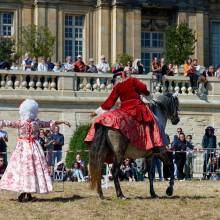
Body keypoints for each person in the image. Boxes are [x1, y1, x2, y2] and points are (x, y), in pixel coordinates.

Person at [0, 99, 70, 202]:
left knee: (22, 169)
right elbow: (50, 122)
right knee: (32, 170)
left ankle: (25, 192)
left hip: (22, 148)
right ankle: (27, 192)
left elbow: (6, 123)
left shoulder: (20, 122)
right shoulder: (37, 123)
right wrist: (63, 121)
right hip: (34, 148)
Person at [86, 71, 165, 153]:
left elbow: (109, 102)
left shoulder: (117, 87)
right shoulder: (132, 80)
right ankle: (155, 146)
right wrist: (149, 97)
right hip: (137, 107)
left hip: (124, 109)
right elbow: (143, 88)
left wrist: (96, 112)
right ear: (127, 76)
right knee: (153, 120)